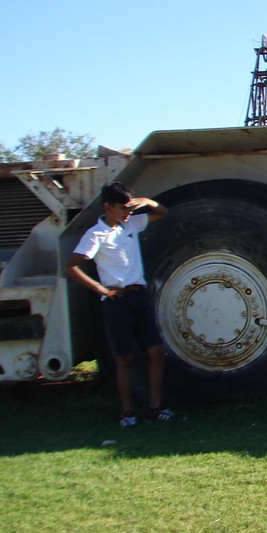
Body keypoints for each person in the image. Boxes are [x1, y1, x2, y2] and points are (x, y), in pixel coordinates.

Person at [65, 181, 172, 427]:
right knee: (124, 359)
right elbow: (71, 266)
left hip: (139, 296)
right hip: (117, 300)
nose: (128, 212)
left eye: (130, 208)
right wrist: (101, 289)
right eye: (123, 208)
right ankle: (127, 412)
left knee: (156, 352)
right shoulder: (96, 234)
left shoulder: (132, 224)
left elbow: (162, 213)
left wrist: (147, 201)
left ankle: (155, 408)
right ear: (108, 207)